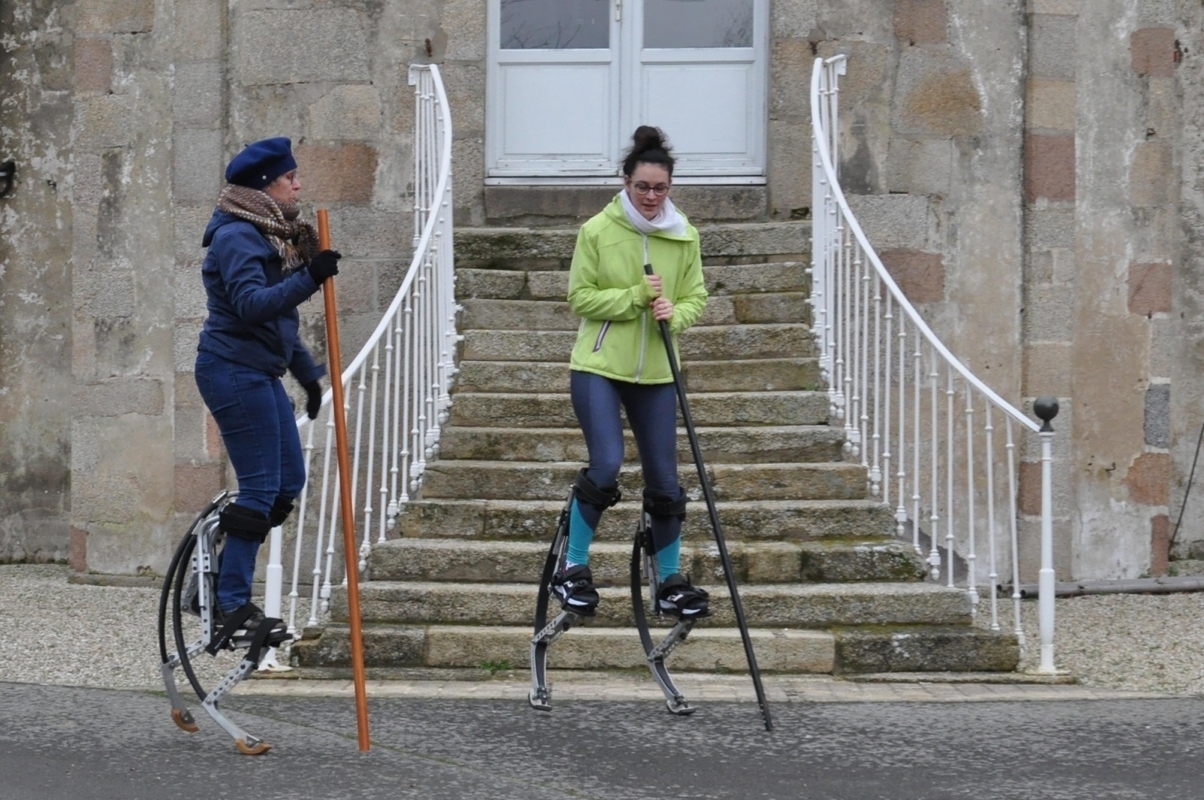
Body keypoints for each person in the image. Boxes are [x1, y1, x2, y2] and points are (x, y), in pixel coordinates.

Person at [553, 126, 711, 620]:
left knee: (665, 480)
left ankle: (669, 581)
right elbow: (579, 298)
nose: (650, 196)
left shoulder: (685, 236)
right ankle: (572, 567)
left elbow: (695, 297)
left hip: (659, 372)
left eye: (659, 188)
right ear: (625, 182)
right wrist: (634, 299)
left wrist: (675, 314)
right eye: (641, 186)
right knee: (606, 464)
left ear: (670, 188)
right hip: (599, 366)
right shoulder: (598, 231)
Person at [194, 137, 341, 639]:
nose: (298, 184)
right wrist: (311, 279)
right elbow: (254, 305)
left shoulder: (271, 234)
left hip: (257, 370)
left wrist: (307, 373)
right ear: (264, 187)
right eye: (289, 178)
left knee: (288, 483)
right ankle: (230, 604)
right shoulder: (237, 236)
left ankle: (212, 573)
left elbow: (278, 326)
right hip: (231, 370)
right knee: (260, 485)